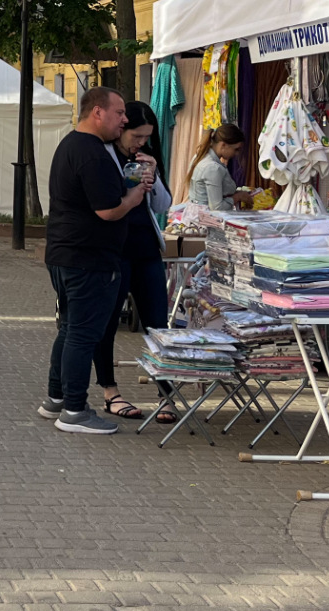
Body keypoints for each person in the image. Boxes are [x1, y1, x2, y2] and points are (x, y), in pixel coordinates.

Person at [39, 86, 149, 436]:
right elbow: (107, 210)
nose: (125, 119)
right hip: (87, 258)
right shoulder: (92, 153)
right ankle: (74, 409)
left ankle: (56, 399)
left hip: (67, 253)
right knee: (83, 334)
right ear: (97, 112)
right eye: (119, 113)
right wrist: (132, 197)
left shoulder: (73, 145)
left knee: (70, 329)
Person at [90, 101, 176, 424]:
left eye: (146, 137)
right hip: (115, 251)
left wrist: (152, 175)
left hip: (146, 249)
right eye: (136, 136)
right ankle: (110, 391)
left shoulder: (146, 157)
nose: (140, 142)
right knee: (108, 322)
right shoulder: (105, 155)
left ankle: (166, 395)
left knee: (158, 323)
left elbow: (163, 203)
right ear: (121, 128)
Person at [186, 124, 245, 208]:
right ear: (223, 145)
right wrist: (238, 197)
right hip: (205, 217)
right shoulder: (212, 168)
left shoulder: (200, 156)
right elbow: (217, 208)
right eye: (236, 149)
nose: (237, 153)